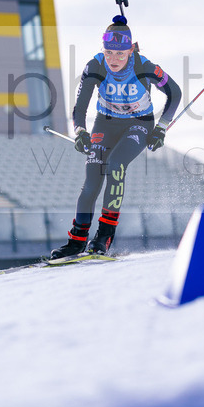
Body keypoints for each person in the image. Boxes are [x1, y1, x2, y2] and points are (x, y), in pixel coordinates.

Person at [50, 14, 181, 259]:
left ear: (130, 50)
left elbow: (175, 93)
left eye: (120, 53)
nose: (113, 59)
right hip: (105, 123)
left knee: (115, 165)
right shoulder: (95, 66)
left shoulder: (145, 66)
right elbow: (80, 106)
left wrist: (161, 127)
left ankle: (104, 237)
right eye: (109, 52)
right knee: (92, 180)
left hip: (138, 124)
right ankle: (77, 241)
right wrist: (80, 131)